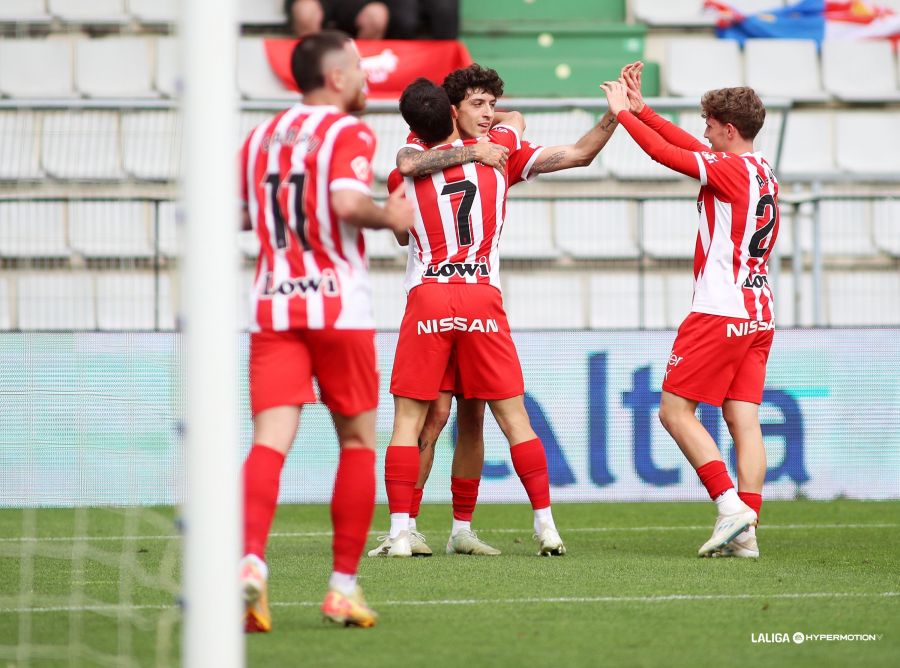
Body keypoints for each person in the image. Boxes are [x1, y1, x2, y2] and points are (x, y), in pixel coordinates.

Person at [368, 66, 622, 558]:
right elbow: (567, 146)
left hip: (431, 296)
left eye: (492, 105)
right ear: (451, 109)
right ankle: (435, 527)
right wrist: (610, 118)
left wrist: (490, 126)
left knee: (462, 417)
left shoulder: (420, 153)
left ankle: (440, 528)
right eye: (478, 104)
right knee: (448, 417)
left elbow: (401, 213)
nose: (488, 114)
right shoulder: (497, 150)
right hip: (480, 297)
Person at [237, 31, 413, 632]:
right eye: (360, 69)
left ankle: (250, 565)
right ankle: (341, 587)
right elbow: (343, 202)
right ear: (335, 78)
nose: (367, 79)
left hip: (272, 308)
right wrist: (388, 213)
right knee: (359, 444)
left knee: (269, 441)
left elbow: (239, 213)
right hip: (337, 309)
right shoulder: (348, 132)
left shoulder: (258, 138)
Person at [601, 63, 778, 559]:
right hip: (759, 312)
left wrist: (622, 116)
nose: (704, 131)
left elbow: (666, 154)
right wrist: (643, 109)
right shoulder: (760, 169)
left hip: (719, 311)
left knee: (674, 411)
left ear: (729, 129)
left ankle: (729, 507)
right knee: (744, 419)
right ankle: (747, 533)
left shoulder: (726, 169)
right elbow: (684, 143)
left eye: (709, 124)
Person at [286, 0, 390, 39]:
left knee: (376, 16)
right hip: (318, 3)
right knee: (305, 12)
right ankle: (311, 64)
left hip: (357, 4)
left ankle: (362, 68)